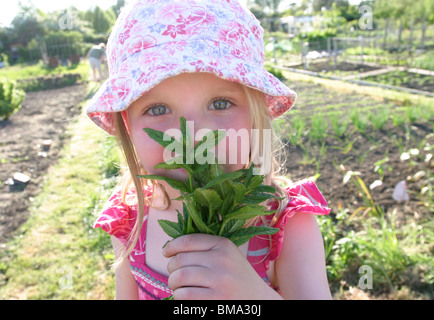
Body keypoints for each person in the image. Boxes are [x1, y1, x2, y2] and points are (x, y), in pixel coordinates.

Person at [86, 0, 332, 300]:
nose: (192, 137)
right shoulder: (131, 222)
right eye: (158, 108)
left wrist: (253, 295)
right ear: (127, 125)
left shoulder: (287, 224)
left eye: (220, 103)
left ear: (257, 117)